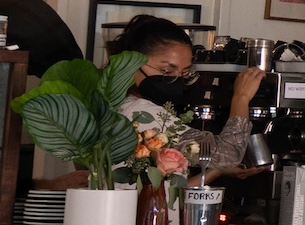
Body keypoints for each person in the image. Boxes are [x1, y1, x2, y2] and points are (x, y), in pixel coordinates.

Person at [48, 13, 265, 183]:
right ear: (130, 62)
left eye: (184, 73)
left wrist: (216, 172)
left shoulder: (106, 107)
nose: (175, 80)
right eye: (166, 70)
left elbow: (159, 192)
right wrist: (241, 97)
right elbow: (228, 154)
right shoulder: (142, 113)